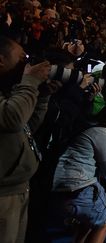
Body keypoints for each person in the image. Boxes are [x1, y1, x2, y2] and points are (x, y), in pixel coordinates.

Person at [51, 104, 106, 243]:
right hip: (78, 188)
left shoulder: (91, 128)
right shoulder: (103, 133)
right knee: (105, 221)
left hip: (63, 188)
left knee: (89, 221)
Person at [0, 36, 52, 243]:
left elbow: (25, 127)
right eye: (21, 58)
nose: (26, 64)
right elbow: (12, 119)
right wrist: (30, 81)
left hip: (18, 187)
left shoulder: (7, 89)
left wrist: (43, 96)